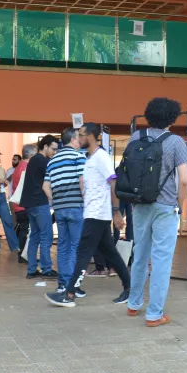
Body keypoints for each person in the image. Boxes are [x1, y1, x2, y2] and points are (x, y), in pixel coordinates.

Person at [46, 123, 132, 307]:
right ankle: (130, 288)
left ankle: (68, 294)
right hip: (93, 212)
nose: (79, 138)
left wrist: (116, 212)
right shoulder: (89, 158)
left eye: (81, 135)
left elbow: (113, 183)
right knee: (111, 255)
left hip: (98, 214)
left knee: (82, 253)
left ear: (91, 136)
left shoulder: (101, 157)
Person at [127, 97, 187, 327]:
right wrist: (180, 206)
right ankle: (154, 314)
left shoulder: (136, 137)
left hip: (139, 203)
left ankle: (133, 304)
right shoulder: (176, 142)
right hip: (165, 206)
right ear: (172, 118)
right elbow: (183, 180)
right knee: (162, 260)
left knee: (140, 254)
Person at [42, 127, 87, 290]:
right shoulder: (79, 157)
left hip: (60, 209)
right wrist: (85, 199)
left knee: (63, 246)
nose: (81, 141)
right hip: (76, 207)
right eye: (79, 138)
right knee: (76, 246)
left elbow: (45, 186)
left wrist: (57, 200)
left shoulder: (52, 161)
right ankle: (71, 285)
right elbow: (83, 181)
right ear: (73, 139)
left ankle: (62, 283)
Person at [22, 135, 60, 279]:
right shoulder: (43, 161)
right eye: (53, 149)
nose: (54, 152)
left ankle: (31, 269)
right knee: (46, 236)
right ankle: (46, 268)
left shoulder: (33, 160)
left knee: (35, 236)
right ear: (45, 146)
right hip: (39, 202)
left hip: (30, 203)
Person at [7, 144, 35, 258]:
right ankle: (23, 254)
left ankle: (23, 253)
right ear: (31, 155)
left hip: (19, 204)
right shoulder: (25, 167)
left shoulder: (20, 166)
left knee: (23, 228)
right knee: (25, 229)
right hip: (23, 204)